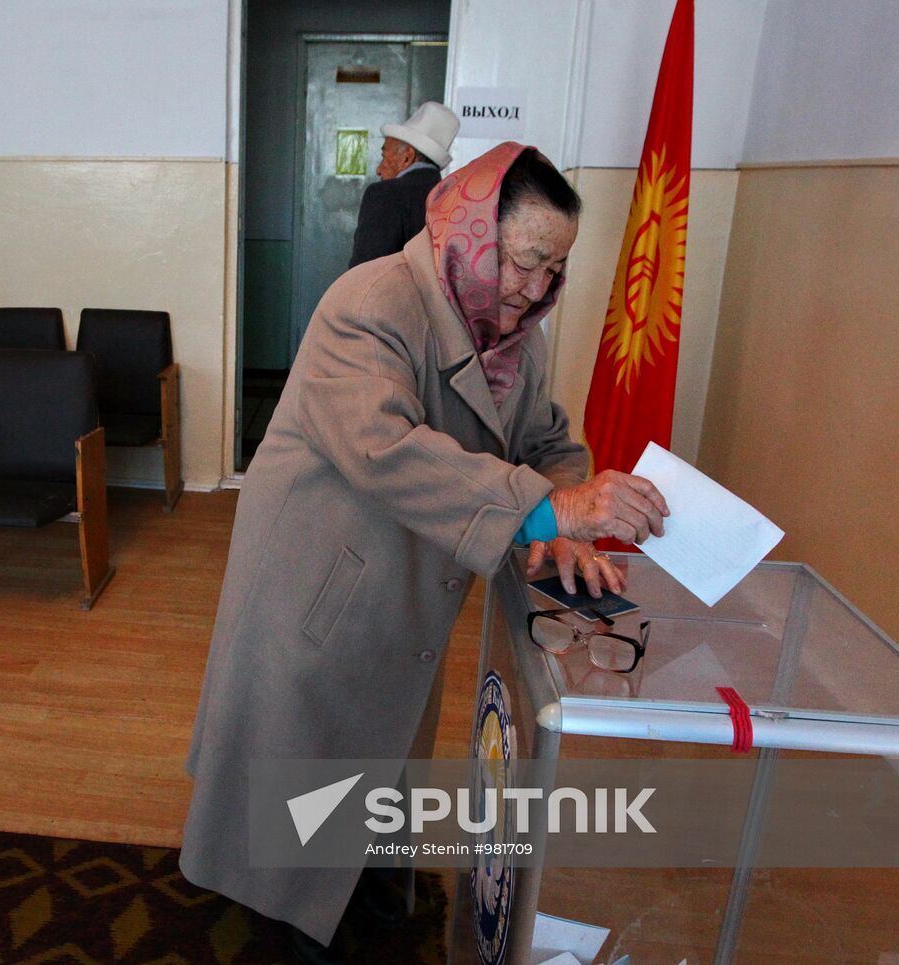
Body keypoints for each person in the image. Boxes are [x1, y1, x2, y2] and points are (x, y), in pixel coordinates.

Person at [180, 143, 670, 963]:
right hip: (322, 584)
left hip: (402, 591)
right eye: (524, 262)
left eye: (556, 268)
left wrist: (561, 522)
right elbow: (385, 447)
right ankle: (293, 925)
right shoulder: (371, 300)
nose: (537, 289)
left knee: (374, 763)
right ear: (472, 232)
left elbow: (546, 439)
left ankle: (365, 898)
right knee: (302, 781)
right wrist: (545, 507)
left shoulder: (517, 334)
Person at [348, 101, 460, 269]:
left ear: (407, 157)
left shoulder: (383, 195)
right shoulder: (454, 197)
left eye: (384, 155)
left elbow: (364, 273)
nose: (379, 169)